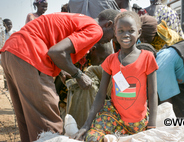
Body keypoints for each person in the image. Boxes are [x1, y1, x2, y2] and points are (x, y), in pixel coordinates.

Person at [0, 9, 119, 142]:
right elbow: (56, 52)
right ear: (108, 24)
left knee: (28, 121)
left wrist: (62, 69)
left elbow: (54, 43)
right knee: (48, 124)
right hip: (30, 55)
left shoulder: (81, 20)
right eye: (114, 35)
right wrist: (78, 75)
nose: (111, 40)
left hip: (10, 52)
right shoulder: (95, 29)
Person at [73, 11, 158, 141]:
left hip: (137, 122)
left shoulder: (147, 57)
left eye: (131, 30)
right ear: (115, 33)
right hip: (114, 116)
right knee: (92, 137)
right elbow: (101, 94)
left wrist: (152, 126)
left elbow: (152, 93)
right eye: (121, 31)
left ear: (139, 32)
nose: (126, 35)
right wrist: (86, 125)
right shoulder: (111, 60)